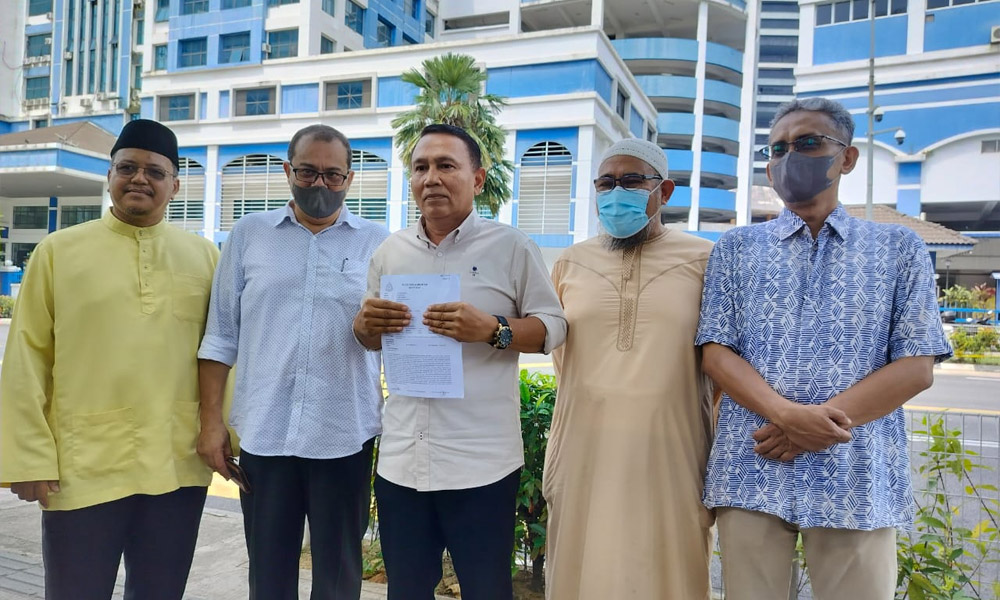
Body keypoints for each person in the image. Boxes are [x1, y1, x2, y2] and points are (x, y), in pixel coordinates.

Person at [696, 97, 952, 600]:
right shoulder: (736, 249)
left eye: (808, 143)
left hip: (854, 471)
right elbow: (716, 354)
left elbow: (917, 366)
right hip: (753, 464)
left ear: (847, 158)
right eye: (777, 149)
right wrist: (788, 416)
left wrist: (814, 429)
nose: (789, 156)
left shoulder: (898, 249)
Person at [0, 119, 219, 600]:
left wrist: (227, 436)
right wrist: (28, 457)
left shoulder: (205, 258)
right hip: (82, 465)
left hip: (176, 463)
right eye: (127, 167)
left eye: (155, 171)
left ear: (175, 185)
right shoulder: (58, 253)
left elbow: (223, 357)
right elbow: (26, 360)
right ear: (110, 175)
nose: (139, 178)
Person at [353, 123, 567, 600]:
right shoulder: (390, 252)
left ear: (478, 178)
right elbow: (369, 338)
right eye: (420, 167)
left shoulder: (511, 247)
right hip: (402, 461)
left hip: (480, 465)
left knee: (487, 590)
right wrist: (365, 325)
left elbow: (554, 327)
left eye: (446, 165)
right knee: (406, 591)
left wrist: (493, 328)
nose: (431, 178)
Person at [196, 124, 388, 599]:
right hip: (266, 435)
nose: (319, 184)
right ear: (288, 171)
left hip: (344, 436)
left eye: (332, 175)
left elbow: (394, 339)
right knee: (268, 575)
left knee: (338, 577)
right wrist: (211, 424)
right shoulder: (248, 236)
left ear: (349, 178)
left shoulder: (378, 244)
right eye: (307, 172)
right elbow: (220, 337)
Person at [541, 137, 715, 599]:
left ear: (665, 191)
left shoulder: (705, 259)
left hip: (672, 453)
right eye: (606, 183)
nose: (616, 192)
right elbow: (562, 360)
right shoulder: (570, 263)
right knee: (580, 567)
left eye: (632, 180)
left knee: (668, 570)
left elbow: (720, 367)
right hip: (583, 448)